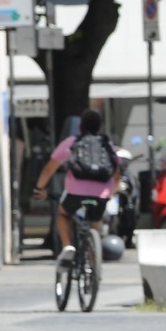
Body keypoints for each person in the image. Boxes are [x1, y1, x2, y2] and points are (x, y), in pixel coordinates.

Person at [32, 110, 121, 266]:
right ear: (99, 127)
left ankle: (67, 246)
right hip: (101, 195)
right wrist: (112, 192)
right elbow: (116, 173)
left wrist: (39, 187)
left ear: (80, 127)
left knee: (63, 214)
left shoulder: (72, 142)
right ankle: (94, 261)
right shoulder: (107, 144)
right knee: (95, 221)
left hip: (75, 193)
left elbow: (49, 169)